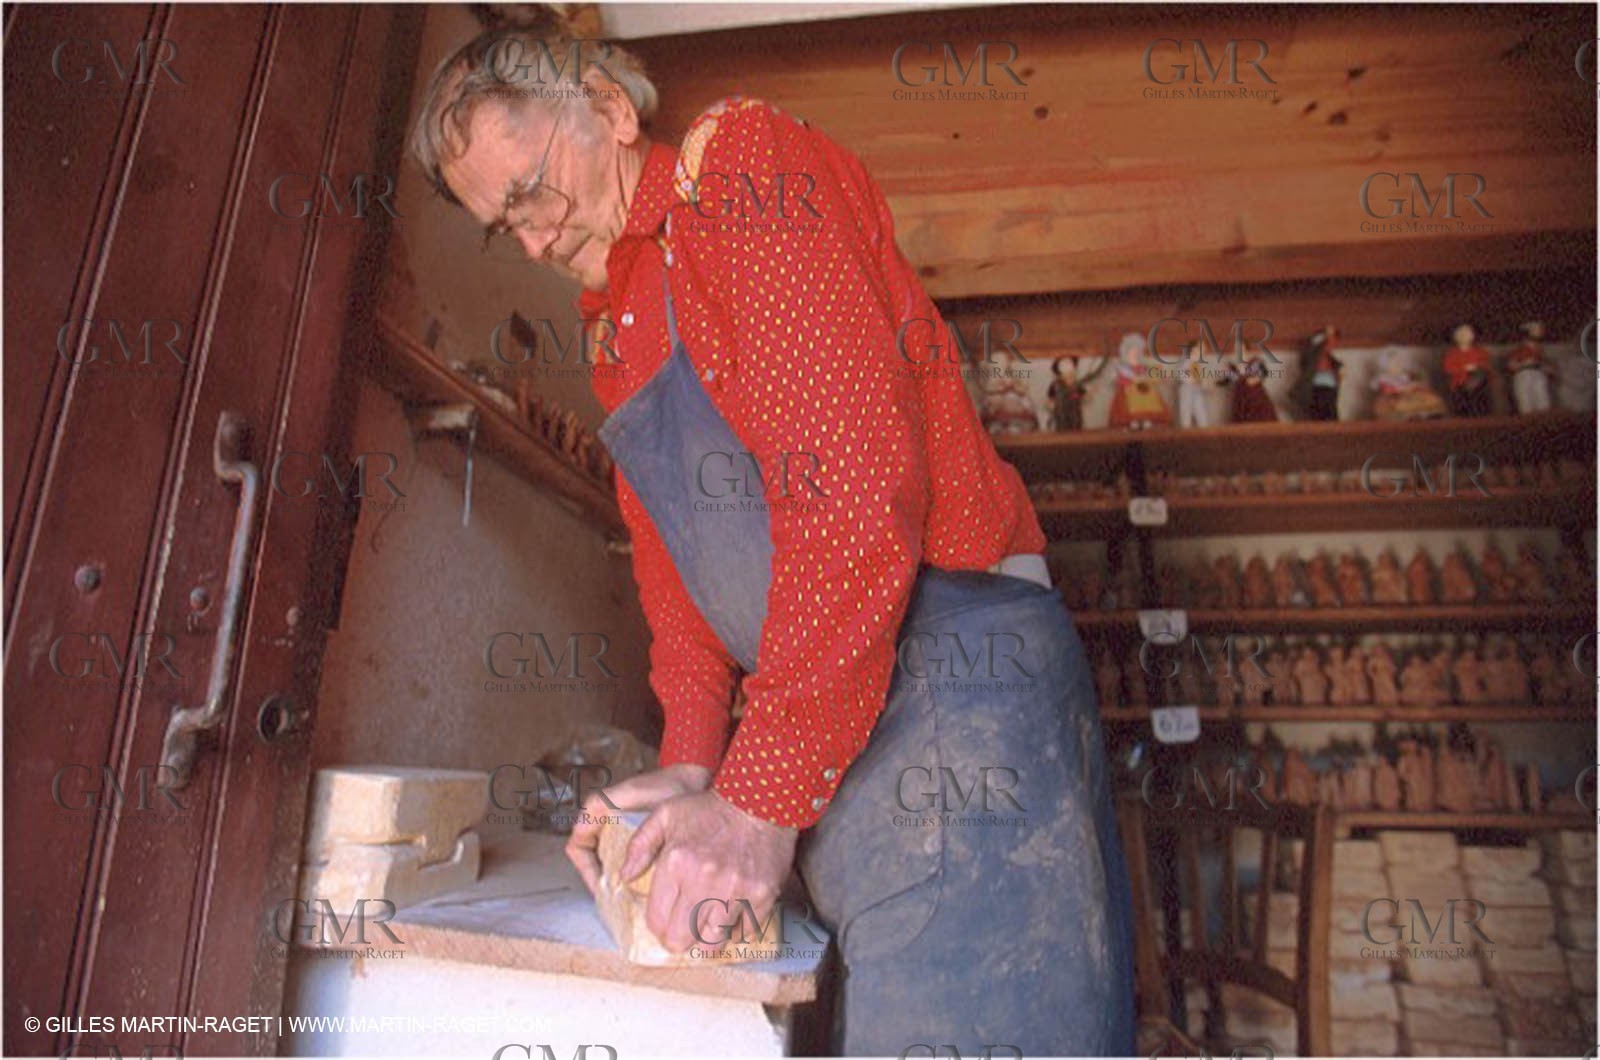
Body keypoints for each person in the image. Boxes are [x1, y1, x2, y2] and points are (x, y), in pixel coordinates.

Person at [409, 22, 1133, 1057]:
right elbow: (677, 578)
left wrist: (757, 801)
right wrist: (697, 763)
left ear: (609, 111)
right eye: (500, 226)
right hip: (829, 710)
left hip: (956, 681)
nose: (527, 239)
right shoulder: (616, 322)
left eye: (529, 192)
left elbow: (848, 496)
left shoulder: (739, 172)